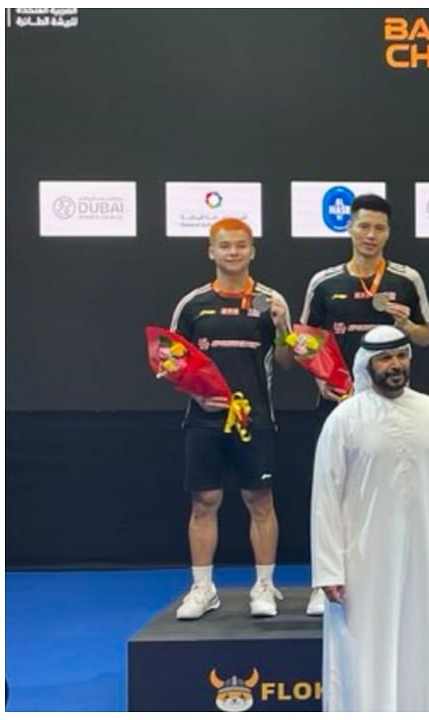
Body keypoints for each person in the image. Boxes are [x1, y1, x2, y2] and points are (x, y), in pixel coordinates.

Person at [311, 326, 429, 711]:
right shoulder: (345, 418)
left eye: (401, 356)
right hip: (362, 562)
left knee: (421, 642)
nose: (395, 365)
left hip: (422, 557)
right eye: (385, 358)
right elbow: (325, 498)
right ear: (369, 365)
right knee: (364, 651)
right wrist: (329, 569)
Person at [299, 193, 429, 614]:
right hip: (340, 405)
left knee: (391, 490)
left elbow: (426, 337)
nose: (370, 235)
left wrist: (405, 323)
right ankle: (325, 580)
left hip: (393, 408)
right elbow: (305, 341)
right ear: (350, 228)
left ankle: (391, 575)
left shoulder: (406, 278)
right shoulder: (325, 282)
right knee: (334, 493)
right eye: (363, 226)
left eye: (379, 228)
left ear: (389, 232)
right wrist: (321, 378)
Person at [169, 218, 294, 620]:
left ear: (252, 251)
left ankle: (264, 585)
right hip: (204, 421)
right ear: (211, 251)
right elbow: (172, 365)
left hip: (255, 418)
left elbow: (288, 362)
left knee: (260, 500)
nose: (233, 253)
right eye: (225, 246)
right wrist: (198, 396)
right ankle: (203, 587)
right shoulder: (192, 305)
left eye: (241, 245)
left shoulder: (271, 301)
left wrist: (282, 329)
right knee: (205, 502)